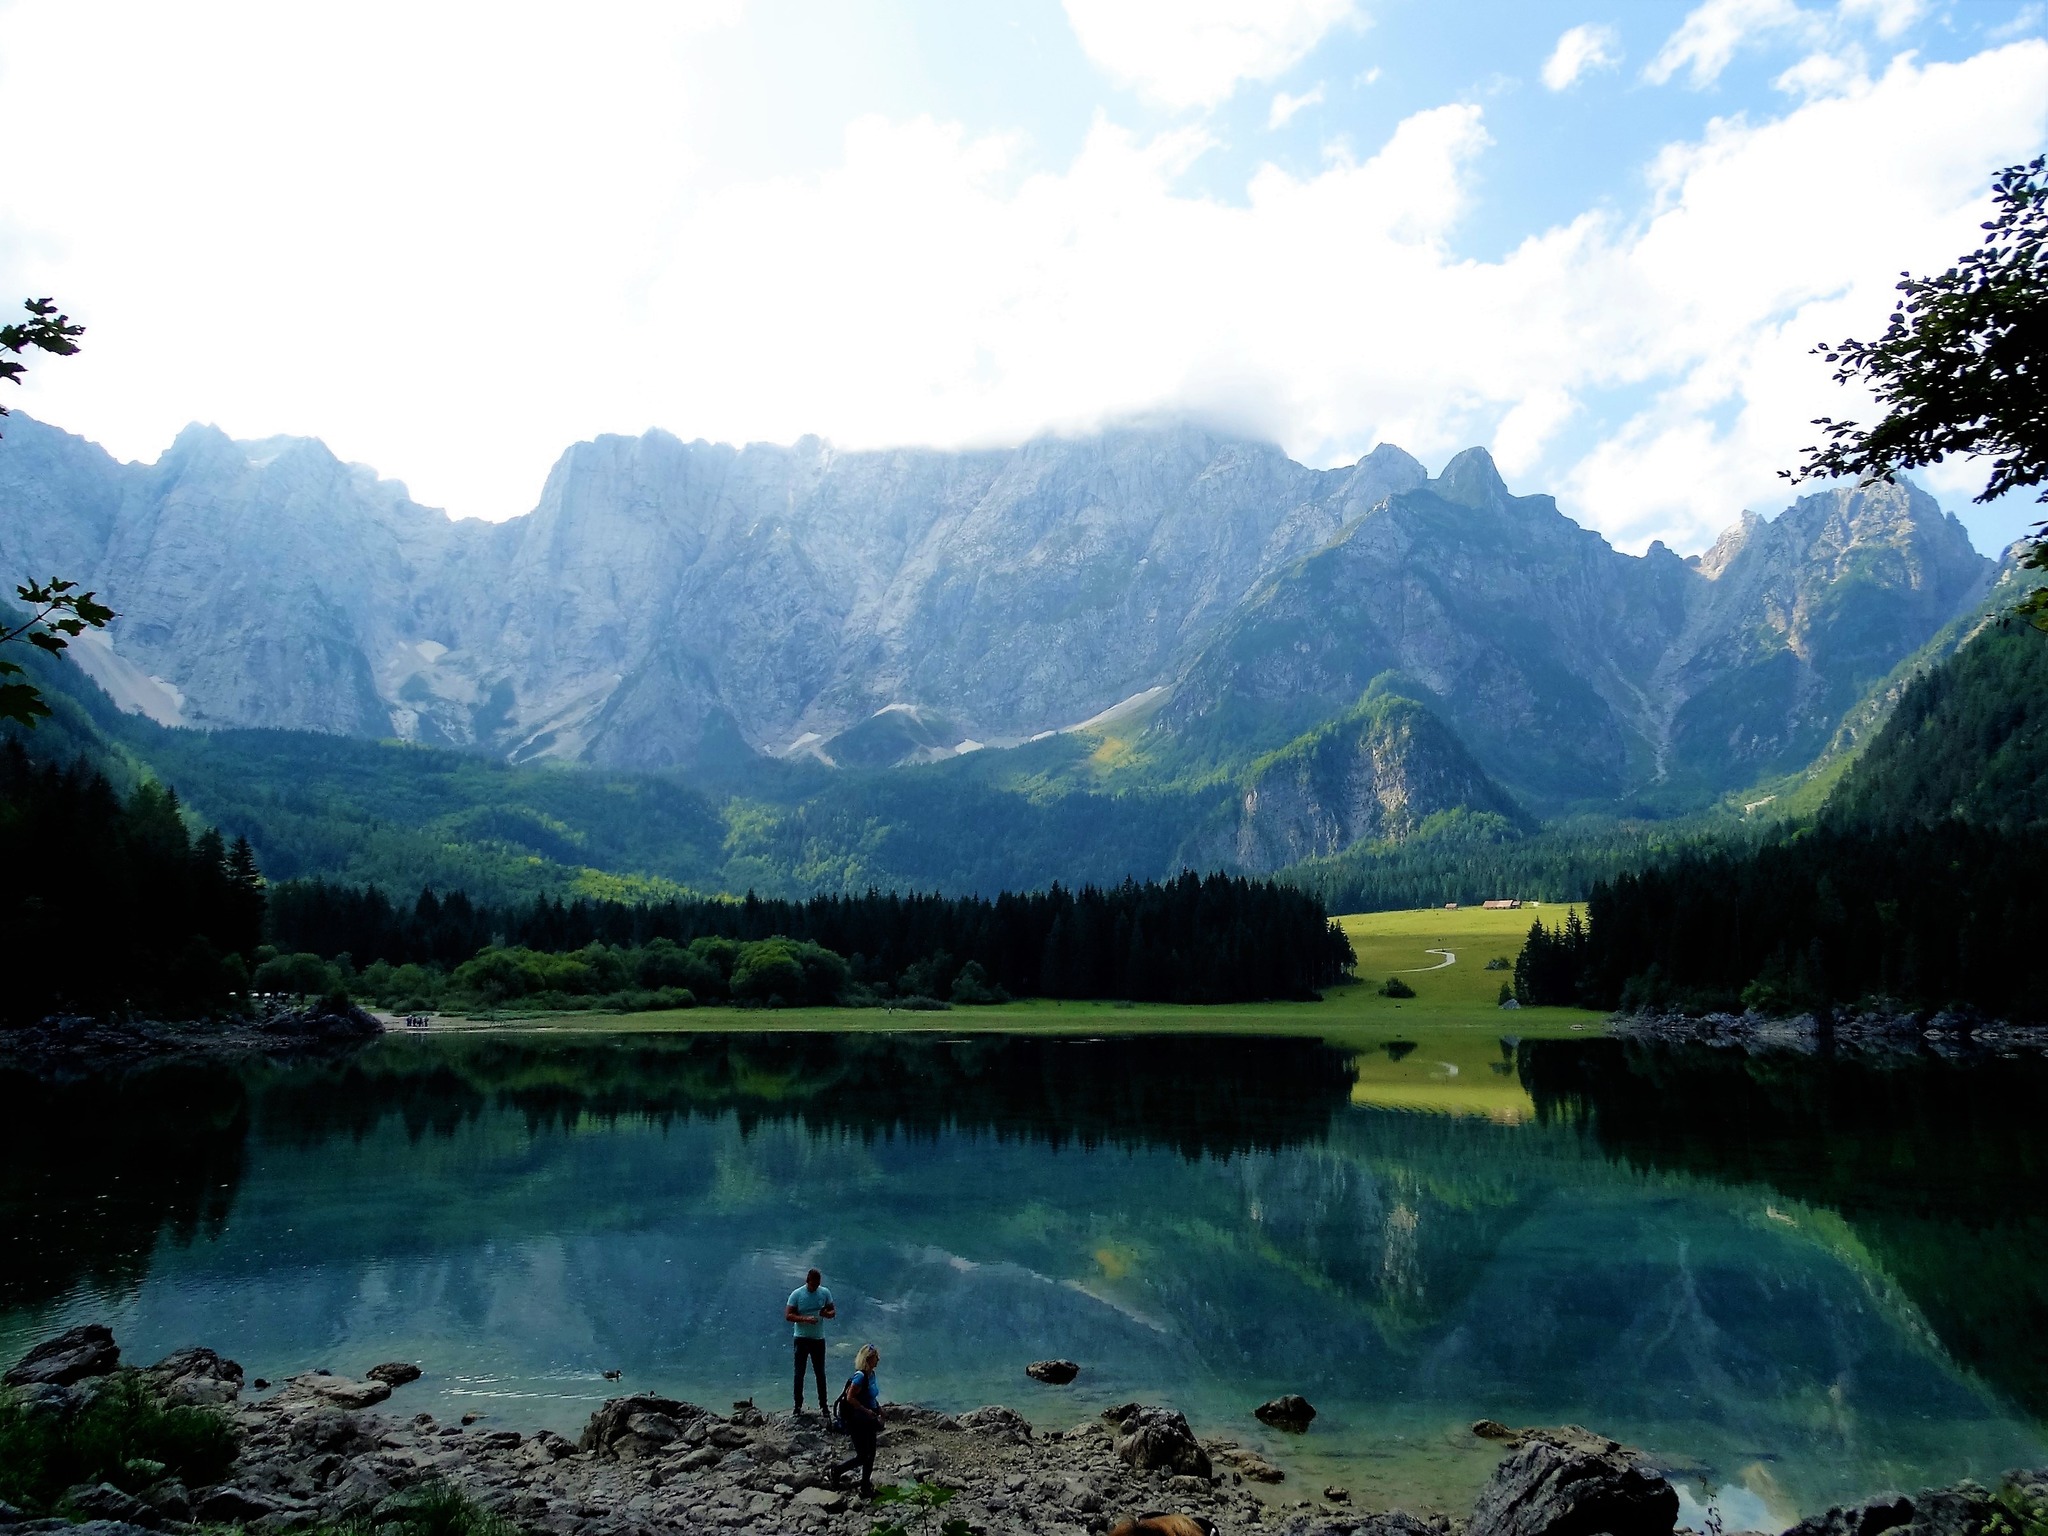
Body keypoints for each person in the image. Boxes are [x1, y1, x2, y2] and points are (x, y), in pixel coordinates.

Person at [831, 1343, 883, 1496]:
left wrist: (879, 1409)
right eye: (875, 1357)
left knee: (870, 1454)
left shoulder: (871, 1375)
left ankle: (865, 1487)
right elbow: (850, 1397)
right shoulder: (860, 1377)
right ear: (868, 1359)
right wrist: (866, 1410)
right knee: (863, 1455)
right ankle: (837, 1471)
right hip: (858, 1420)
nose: (878, 1360)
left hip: (869, 1419)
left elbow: (870, 1395)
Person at [785, 1268, 836, 1418]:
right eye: (813, 1285)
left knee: (820, 1373)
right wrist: (805, 1319)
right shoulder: (797, 1294)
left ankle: (824, 1406)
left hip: (818, 1339)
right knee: (799, 1373)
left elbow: (833, 1312)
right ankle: (797, 1405)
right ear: (807, 1281)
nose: (815, 1288)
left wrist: (826, 1314)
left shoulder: (824, 1293)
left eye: (817, 1285)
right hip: (801, 1338)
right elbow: (788, 1315)